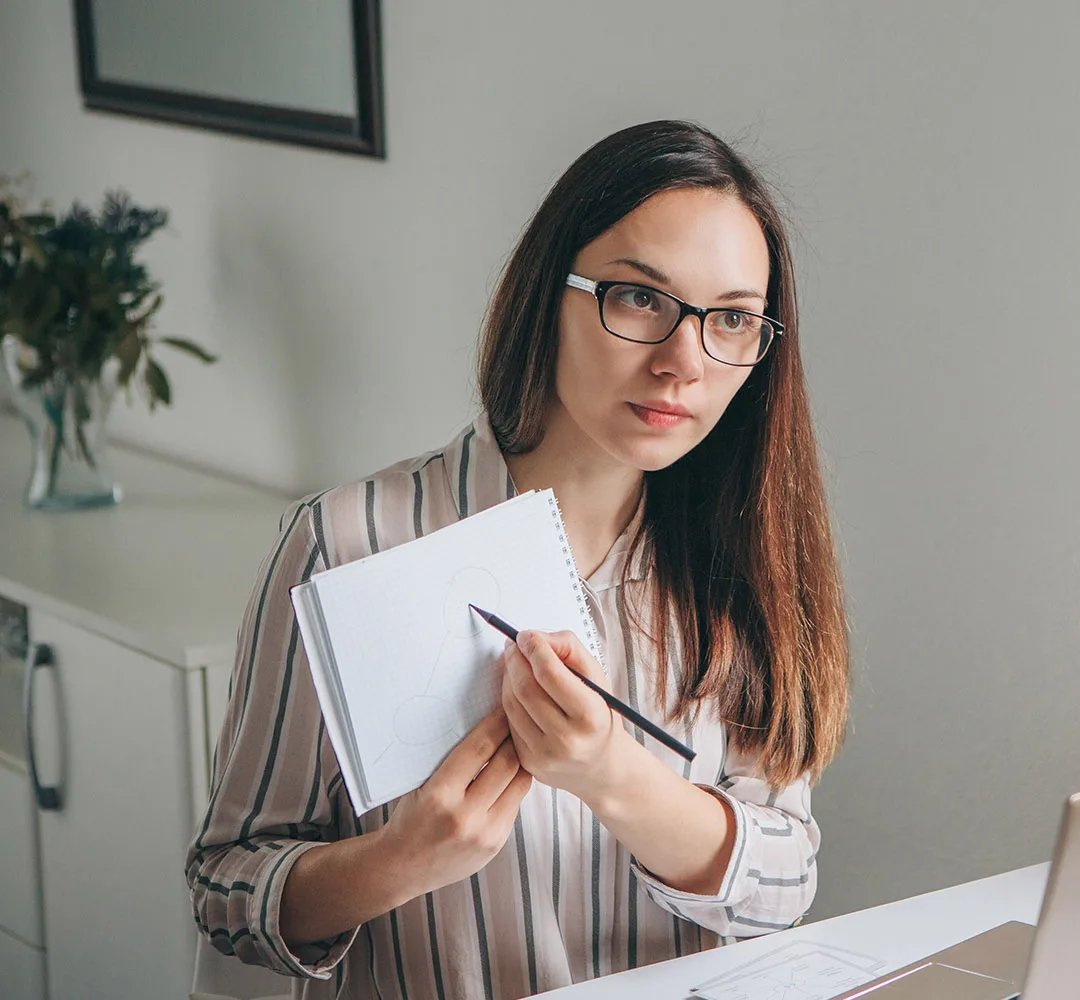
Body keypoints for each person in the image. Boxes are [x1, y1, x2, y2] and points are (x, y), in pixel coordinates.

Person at [186, 120, 851, 999]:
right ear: (551, 293)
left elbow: (784, 885)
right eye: (641, 299)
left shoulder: (746, 565)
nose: (683, 362)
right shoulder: (350, 543)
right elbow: (228, 889)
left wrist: (612, 778)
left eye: (731, 319)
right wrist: (401, 860)